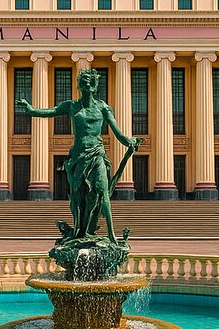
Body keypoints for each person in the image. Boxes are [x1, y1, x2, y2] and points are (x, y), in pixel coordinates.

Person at [16, 68, 139, 243]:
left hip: (97, 154)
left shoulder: (103, 107)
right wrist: (31, 110)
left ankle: (112, 236)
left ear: (95, 86)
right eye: (82, 82)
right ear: (79, 86)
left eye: (89, 82)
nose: (85, 85)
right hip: (79, 157)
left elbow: (118, 133)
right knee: (78, 198)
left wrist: (129, 142)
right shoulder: (72, 106)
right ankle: (80, 231)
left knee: (103, 192)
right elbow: (50, 112)